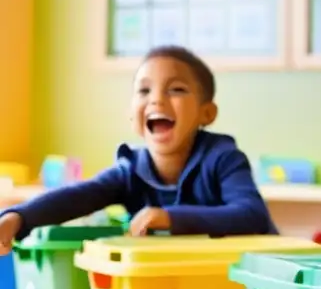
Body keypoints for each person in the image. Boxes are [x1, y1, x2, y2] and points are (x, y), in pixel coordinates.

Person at [0, 45, 276, 253]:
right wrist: (19, 217)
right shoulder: (130, 170)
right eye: (144, 91)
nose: (156, 99)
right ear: (131, 114)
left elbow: (251, 214)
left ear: (207, 113)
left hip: (250, 287)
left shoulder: (223, 157)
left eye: (176, 89)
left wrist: (170, 217)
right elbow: (77, 196)